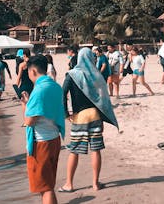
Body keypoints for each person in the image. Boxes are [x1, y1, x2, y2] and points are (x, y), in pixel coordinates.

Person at [59, 48, 118, 193]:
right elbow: (102, 99)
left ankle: (69, 184)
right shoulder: (96, 75)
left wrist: (66, 113)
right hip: (95, 115)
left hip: (80, 117)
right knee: (96, 150)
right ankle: (95, 183)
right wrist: (104, 119)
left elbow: (63, 93)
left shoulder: (72, 75)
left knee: (74, 151)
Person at [21, 54, 65, 204]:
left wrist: (24, 107)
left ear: (32, 71)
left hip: (41, 143)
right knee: (48, 184)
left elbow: (29, 121)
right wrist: (29, 103)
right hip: (54, 138)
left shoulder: (39, 90)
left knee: (45, 188)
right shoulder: (55, 86)